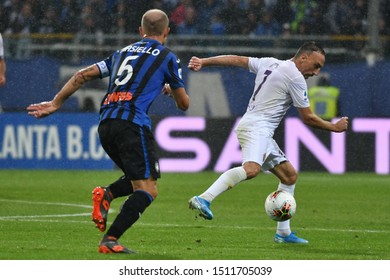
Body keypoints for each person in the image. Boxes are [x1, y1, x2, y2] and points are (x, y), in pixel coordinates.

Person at [27, 9, 190, 253]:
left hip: (106, 124)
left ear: (140, 31)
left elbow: (81, 75)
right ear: (167, 31)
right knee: (147, 189)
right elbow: (184, 104)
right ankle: (110, 239)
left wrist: (55, 103)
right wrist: (169, 89)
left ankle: (107, 193)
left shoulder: (120, 54)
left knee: (139, 180)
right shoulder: (167, 57)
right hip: (132, 123)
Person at [187, 41, 348, 244]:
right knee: (252, 169)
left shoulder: (269, 63)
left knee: (289, 176)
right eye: (316, 66)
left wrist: (204, 61)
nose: (316, 73)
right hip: (257, 128)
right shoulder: (296, 77)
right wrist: (334, 127)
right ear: (303, 57)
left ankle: (283, 233)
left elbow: (237, 60)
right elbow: (308, 118)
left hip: (257, 127)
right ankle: (204, 198)